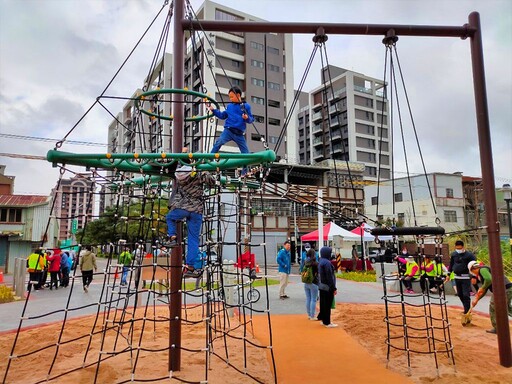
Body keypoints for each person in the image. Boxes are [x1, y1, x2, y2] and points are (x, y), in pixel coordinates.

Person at [164, 154, 215, 278]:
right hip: (197, 209)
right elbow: (212, 182)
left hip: (183, 207)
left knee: (170, 217)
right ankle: (190, 267)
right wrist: (204, 170)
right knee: (193, 239)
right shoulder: (198, 174)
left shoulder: (178, 175)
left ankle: (173, 237)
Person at [208, 86, 254, 175]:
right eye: (230, 97)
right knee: (218, 143)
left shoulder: (245, 106)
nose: (231, 99)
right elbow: (222, 115)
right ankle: (209, 160)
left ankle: (245, 172)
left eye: (232, 97)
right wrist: (214, 110)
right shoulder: (229, 106)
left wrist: (247, 117)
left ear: (238, 95)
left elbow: (251, 119)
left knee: (245, 153)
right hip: (228, 131)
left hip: (239, 133)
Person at [468, 261, 512, 334]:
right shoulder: (484, 272)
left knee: (493, 307)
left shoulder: (482, 269)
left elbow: (489, 279)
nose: (474, 274)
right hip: (508, 289)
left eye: (472, 272)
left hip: (501, 290)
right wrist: (476, 299)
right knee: (507, 308)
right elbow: (485, 289)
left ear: (473, 269)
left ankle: (497, 328)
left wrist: (482, 287)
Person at [445, 240, 475, 314]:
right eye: (457, 248)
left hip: (466, 277)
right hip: (457, 277)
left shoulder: (469, 255)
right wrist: (448, 274)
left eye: (460, 248)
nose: (458, 250)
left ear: (463, 247)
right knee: (460, 294)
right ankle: (466, 307)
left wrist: (474, 276)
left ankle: (467, 311)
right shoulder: (454, 254)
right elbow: (451, 265)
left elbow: (474, 266)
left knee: (466, 295)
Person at [317, 246, 338, 327]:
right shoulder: (327, 263)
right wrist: (334, 288)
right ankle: (327, 322)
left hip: (322, 286)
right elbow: (329, 277)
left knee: (323, 303)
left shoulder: (321, 261)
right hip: (327, 287)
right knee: (328, 304)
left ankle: (323, 319)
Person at [302, 248, 319, 320]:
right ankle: (312, 315)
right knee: (314, 299)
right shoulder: (315, 263)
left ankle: (309, 314)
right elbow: (318, 273)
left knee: (308, 298)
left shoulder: (306, 262)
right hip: (314, 282)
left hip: (306, 282)